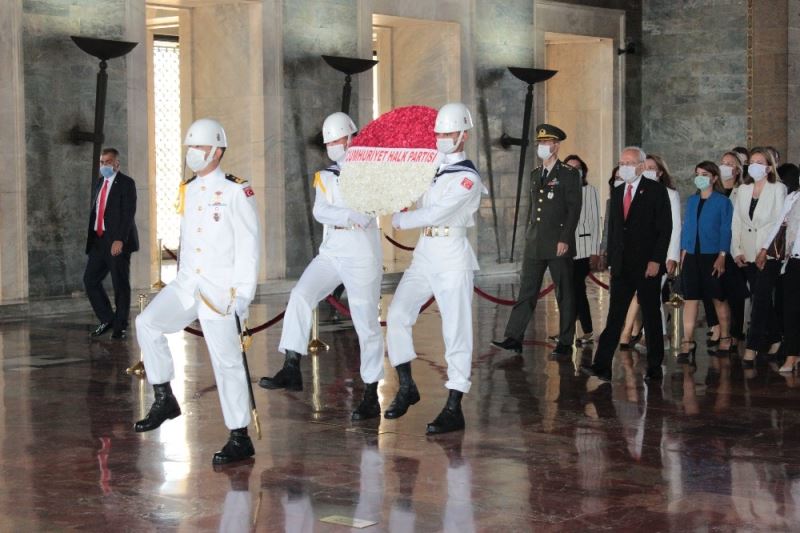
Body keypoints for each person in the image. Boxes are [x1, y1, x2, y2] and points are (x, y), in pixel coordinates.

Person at [133, 118, 261, 466]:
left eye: (199, 148)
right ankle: (164, 397)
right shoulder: (187, 189)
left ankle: (240, 436)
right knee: (147, 323)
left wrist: (243, 294)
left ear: (217, 151)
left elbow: (250, 245)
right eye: (189, 148)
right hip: (187, 284)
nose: (192, 154)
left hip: (221, 291)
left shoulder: (237, 190)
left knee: (227, 364)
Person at [258, 112, 385, 422]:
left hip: (362, 252)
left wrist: (348, 212)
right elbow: (321, 211)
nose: (332, 147)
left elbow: (369, 213)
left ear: (352, 138)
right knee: (301, 294)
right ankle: (291, 365)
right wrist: (345, 214)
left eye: (337, 141)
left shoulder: (372, 172)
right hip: (333, 249)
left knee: (366, 322)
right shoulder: (325, 176)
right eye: (328, 142)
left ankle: (370, 392)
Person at [384, 102, 486, 435]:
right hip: (426, 252)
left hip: (451, 253)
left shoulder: (467, 178)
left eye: (448, 134)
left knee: (455, 330)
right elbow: (411, 194)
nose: (441, 139)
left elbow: (436, 213)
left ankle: (455, 404)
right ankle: (407, 385)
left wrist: (402, 219)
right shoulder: (431, 168)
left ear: (463, 136)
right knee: (398, 313)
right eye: (438, 133)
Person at [581, 146, 672, 383]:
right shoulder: (618, 190)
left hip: (647, 266)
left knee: (651, 316)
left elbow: (665, 230)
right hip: (622, 267)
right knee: (615, 316)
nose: (625, 167)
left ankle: (654, 366)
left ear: (641, 166)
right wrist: (611, 261)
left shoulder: (656, 191)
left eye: (630, 163)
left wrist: (656, 260)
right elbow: (614, 232)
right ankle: (602, 366)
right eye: (622, 162)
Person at [491, 124, 582, 356]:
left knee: (564, 293)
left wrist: (565, 239)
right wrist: (528, 234)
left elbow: (573, 210)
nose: (542, 147)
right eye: (540, 143)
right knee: (527, 290)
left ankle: (565, 341)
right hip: (535, 242)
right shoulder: (535, 174)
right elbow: (533, 209)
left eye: (546, 143)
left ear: (556, 146)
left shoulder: (568, 174)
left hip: (558, 242)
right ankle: (513, 337)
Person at [619, 154, 681, 352]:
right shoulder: (637, 192)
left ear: (660, 172)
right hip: (639, 256)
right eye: (645, 167)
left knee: (648, 296)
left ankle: (653, 336)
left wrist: (672, 256)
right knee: (646, 296)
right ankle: (652, 335)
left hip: (660, 255)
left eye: (652, 168)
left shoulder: (669, 194)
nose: (647, 171)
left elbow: (674, 227)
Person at [731, 147, 786, 368]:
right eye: (751, 161)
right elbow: (737, 222)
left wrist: (765, 248)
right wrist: (736, 250)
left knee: (760, 297)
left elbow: (779, 222)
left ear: (769, 166)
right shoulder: (744, 190)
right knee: (758, 296)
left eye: (759, 161)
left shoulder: (778, 188)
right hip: (747, 250)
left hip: (769, 253)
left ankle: (752, 347)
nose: (754, 165)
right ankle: (775, 338)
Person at [677, 161, 734, 363]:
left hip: (713, 254)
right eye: (697, 173)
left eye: (705, 174)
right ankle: (687, 340)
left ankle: (726, 336)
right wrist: (683, 251)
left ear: (714, 178)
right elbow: (687, 226)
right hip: (692, 255)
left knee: (718, 297)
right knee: (690, 298)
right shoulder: (692, 200)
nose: (700, 177)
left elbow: (726, 229)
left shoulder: (722, 202)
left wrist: (722, 254)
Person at [84, 148, 139, 340]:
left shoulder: (126, 183)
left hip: (117, 241)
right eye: (102, 162)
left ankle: (120, 326)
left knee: (119, 283)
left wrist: (120, 239)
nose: (104, 166)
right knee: (90, 280)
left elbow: (128, 213)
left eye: (108, 162)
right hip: (99, 240)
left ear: (116, 164)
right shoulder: (100, 183)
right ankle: (107, 319)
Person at [762, 184, 800, 373]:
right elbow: (778, 223)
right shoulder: (793, 197)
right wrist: (764, 248)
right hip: (794, 260)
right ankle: (792, 354)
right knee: (791, 310)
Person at [563, 154, 600, 346]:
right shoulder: (561, 191)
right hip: (564, 248)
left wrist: (595, 250)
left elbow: (594, 222)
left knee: (578, 289)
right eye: (569, 168)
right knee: (566, 291)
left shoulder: (590, 191)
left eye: (577, 167)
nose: (574, 171)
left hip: (583, 249)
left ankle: (588, 330)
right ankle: (566, 331)